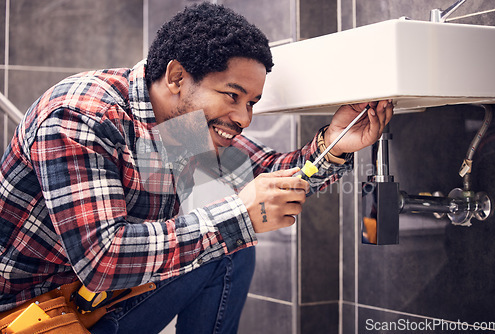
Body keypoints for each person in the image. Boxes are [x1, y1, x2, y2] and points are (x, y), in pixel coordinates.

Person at [0, 2, 392, 333]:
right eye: (232, 96)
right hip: (26, 317)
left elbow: (268, 172)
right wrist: (240, 211)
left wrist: (336, 144)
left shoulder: (180, 122)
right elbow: (104, 260)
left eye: (251, 102)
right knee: (231, 229)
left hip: (87, 304)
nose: (244, 118)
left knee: (232, 246)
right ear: (176, 77)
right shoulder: (82, 116)